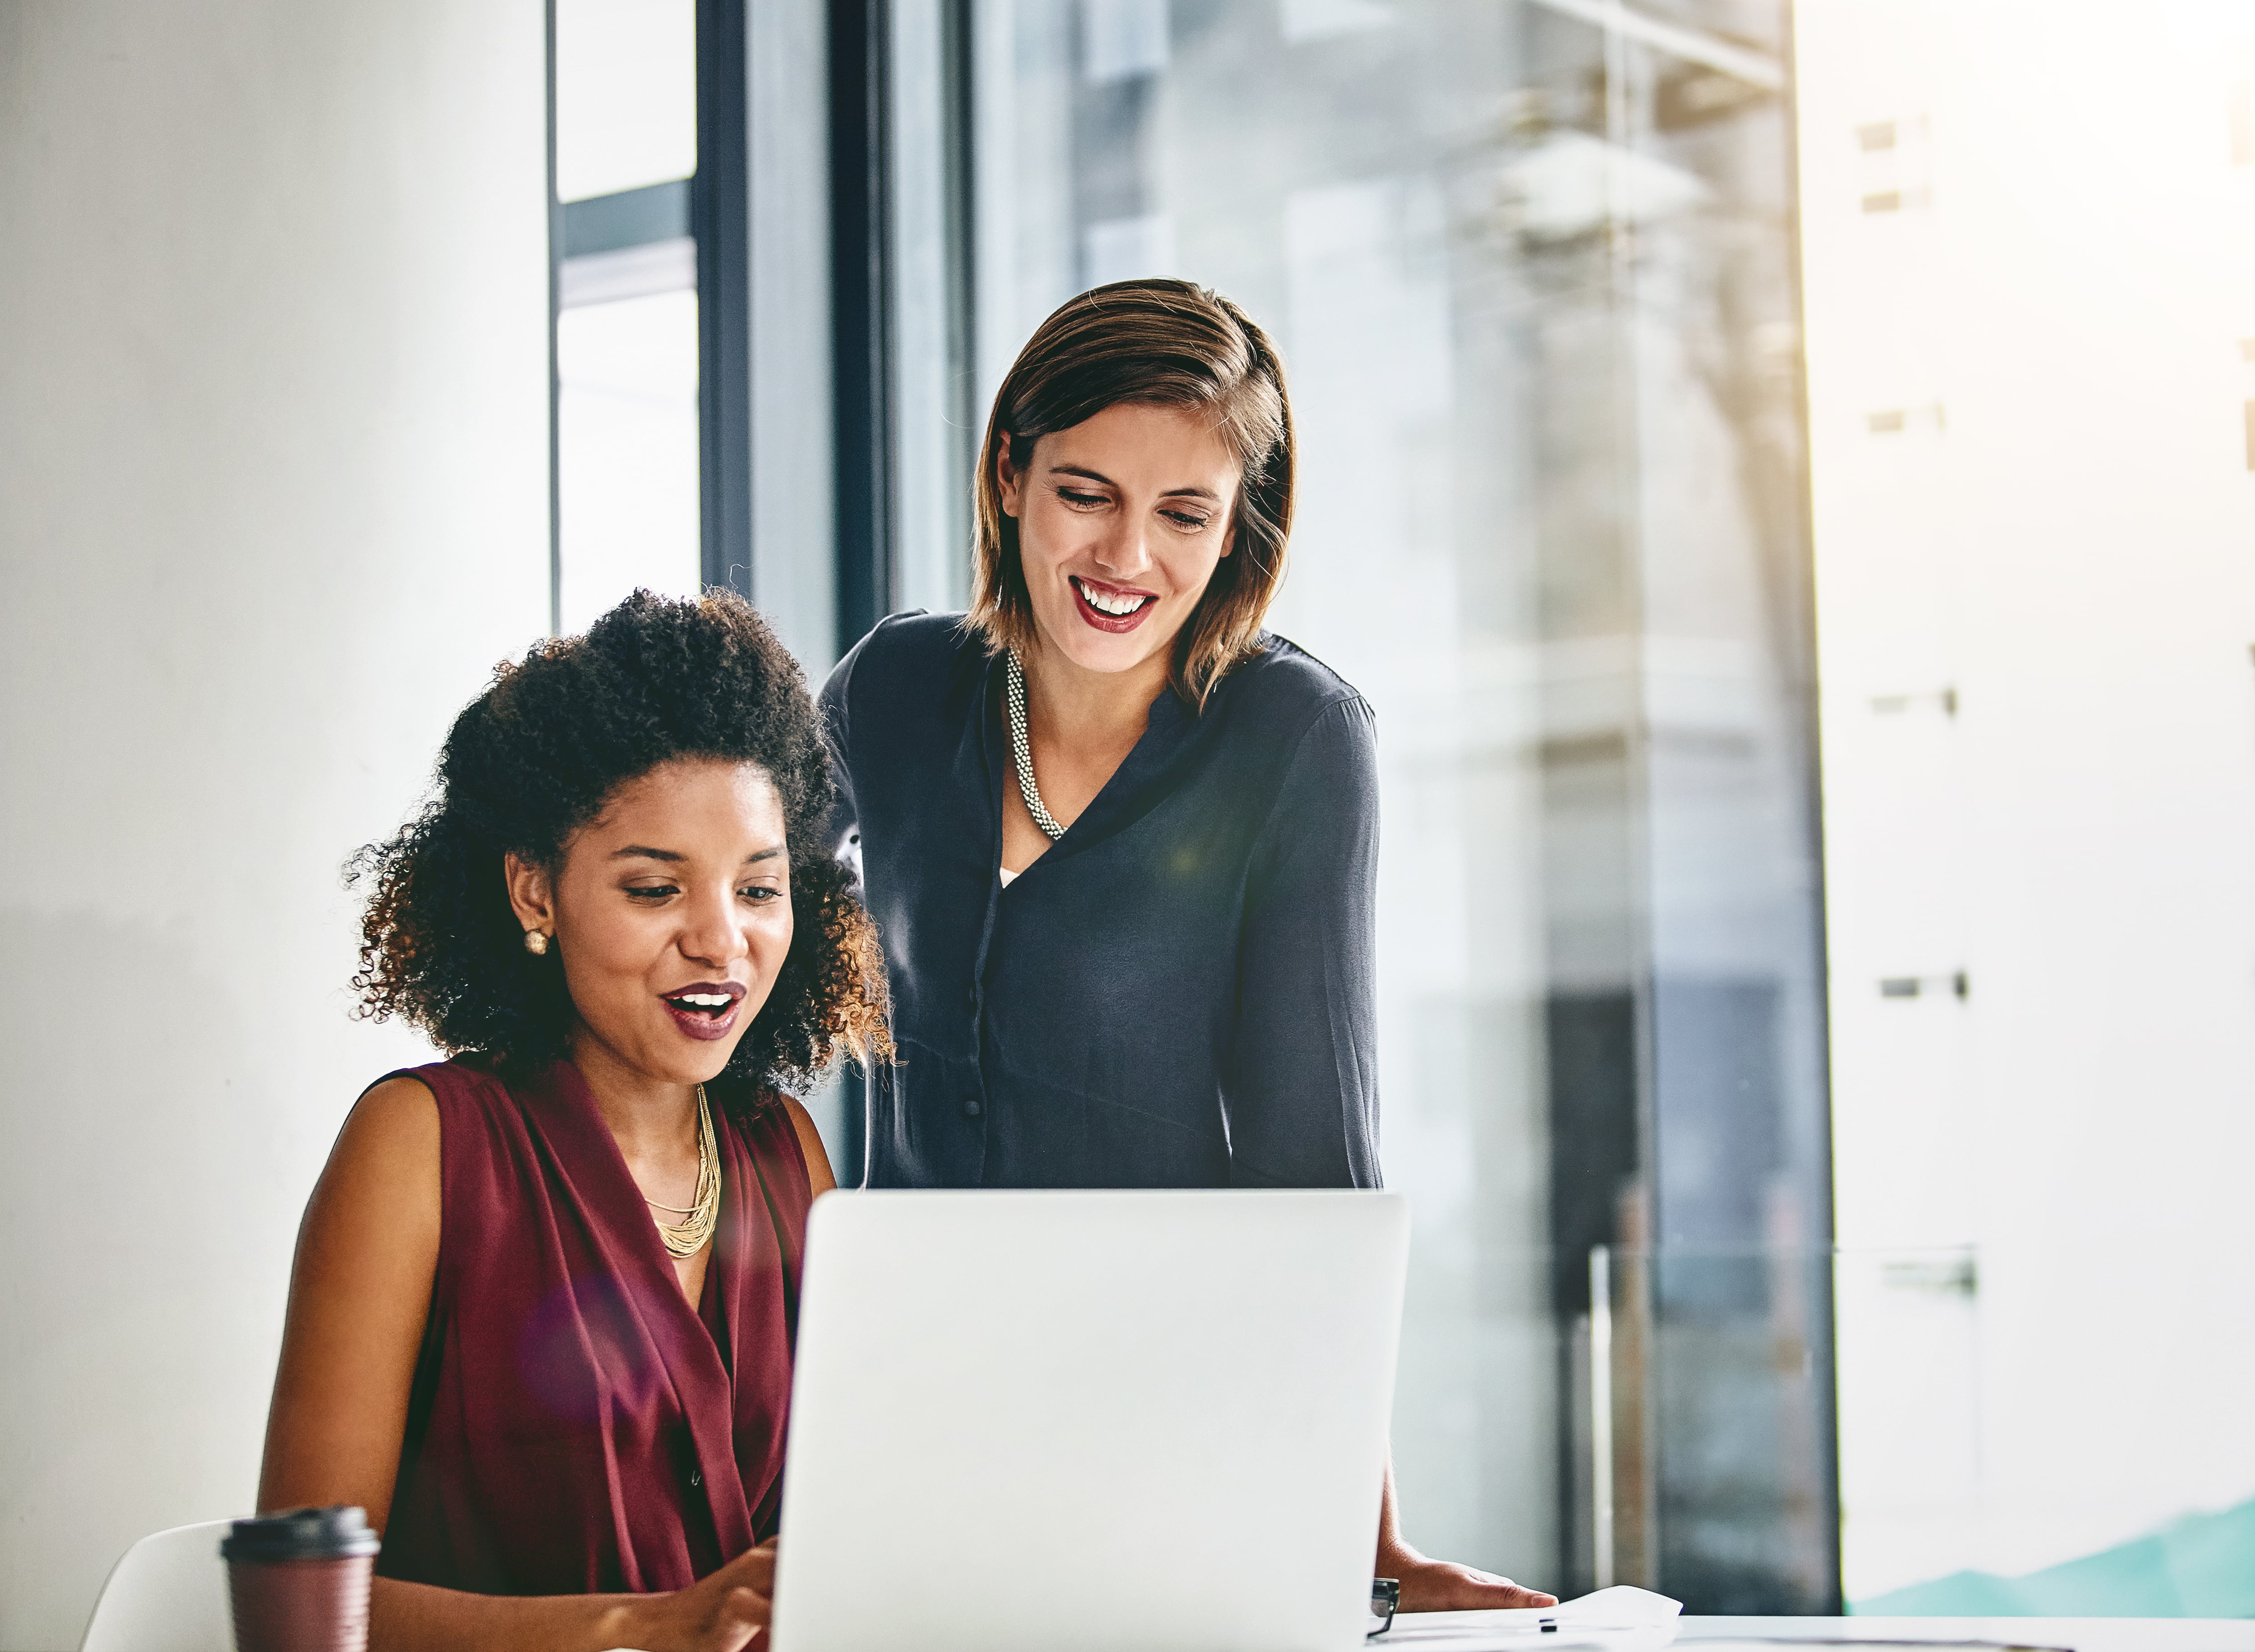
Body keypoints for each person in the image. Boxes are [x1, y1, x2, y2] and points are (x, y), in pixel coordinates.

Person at [821, 278, 1557, 1609]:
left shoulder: (1296, 741)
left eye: (1184, 515)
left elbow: (1312, 1160)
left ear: (1237, 531)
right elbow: (733, 923)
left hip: (1175, 1417)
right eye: (1087, 493)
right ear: (1010, 475)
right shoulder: (895, 688)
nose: (1127, 561)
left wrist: (1367, 1536)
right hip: (911, 1396)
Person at [258, 591, 888, 1652]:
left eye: (760, 887)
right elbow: (296, 1611)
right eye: (654, 889)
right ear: (534, 893)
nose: (721, 940)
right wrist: (644, 1626)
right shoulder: (423, 1145)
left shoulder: (789, 1155)